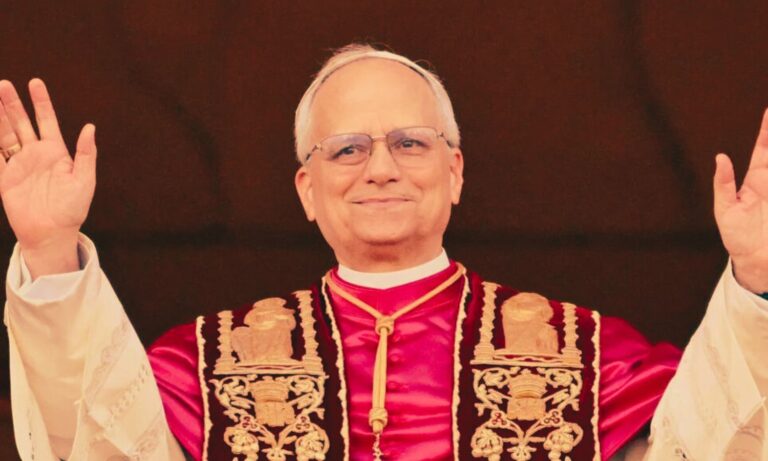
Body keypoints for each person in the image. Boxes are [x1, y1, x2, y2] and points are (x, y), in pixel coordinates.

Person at [1, 43, 766, 461]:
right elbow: (95, 443)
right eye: (346, 148)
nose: (380, 168)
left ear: (455, 171)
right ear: (306, 188)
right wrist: (51, 251)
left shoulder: (589, 356)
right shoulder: (205, 365)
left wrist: (757, 279)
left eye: (409, 142)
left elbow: (710, 443)